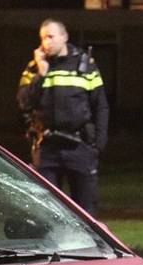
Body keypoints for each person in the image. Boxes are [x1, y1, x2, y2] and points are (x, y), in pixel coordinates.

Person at [17, 18, 109, 215]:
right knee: (46, 212)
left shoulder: (85, 66)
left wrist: (98, 145)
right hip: (47, 148)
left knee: (85, 212)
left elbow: (100, 106)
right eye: (43, 38)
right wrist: (41, 75)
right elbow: (24, 102)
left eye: (50, 37)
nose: (46, 43)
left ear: (64, 37)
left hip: (79, 146)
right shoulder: (34, 68)